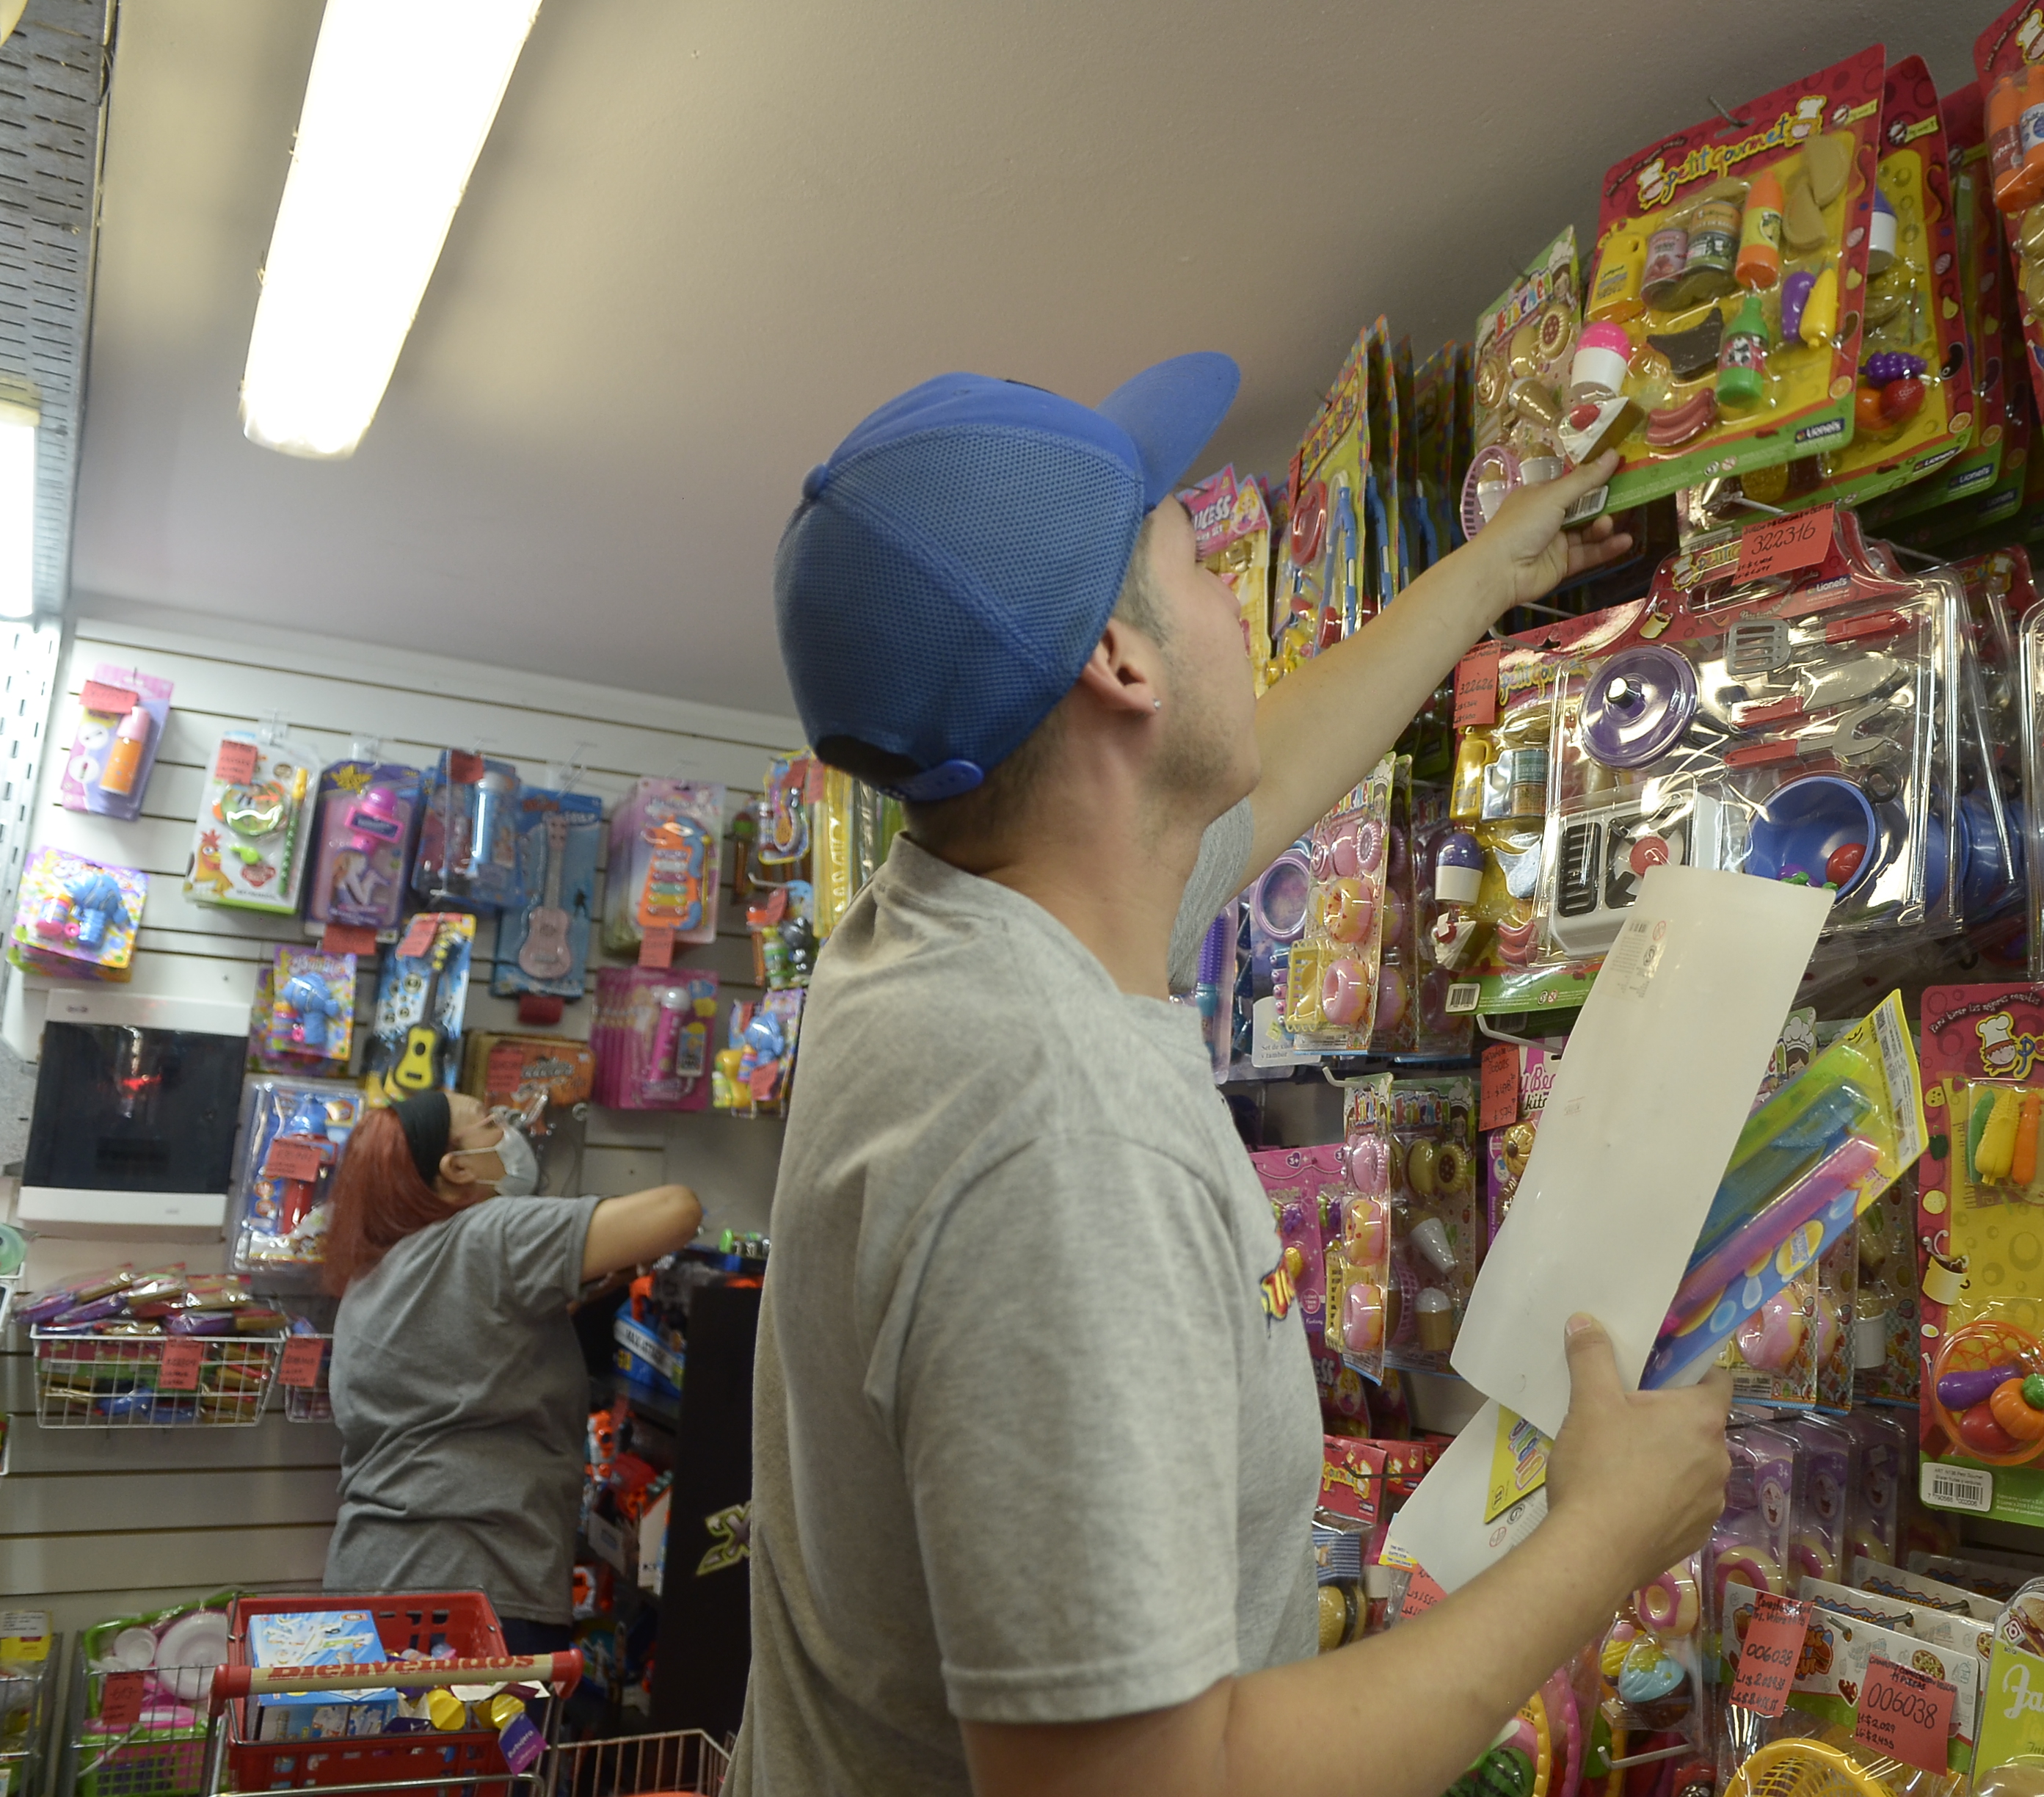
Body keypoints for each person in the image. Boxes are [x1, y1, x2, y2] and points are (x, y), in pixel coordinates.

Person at [731, 352, 1733, 1796]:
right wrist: (1600, 1542)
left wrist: (1479, 581)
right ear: (1121, 668)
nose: (1238, 613)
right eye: (1200, 569)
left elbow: (1258, 777)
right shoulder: (1060, 1135)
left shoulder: (951, 919)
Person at [321, 1087, 702, 1654]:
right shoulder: (490, 1234)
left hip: (365, 1585)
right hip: (477, 1596)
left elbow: (474, 1345)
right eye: (489, 1124)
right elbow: (679, 1212)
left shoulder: (377, 1273)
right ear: (457, 1167)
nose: (509, 1129)